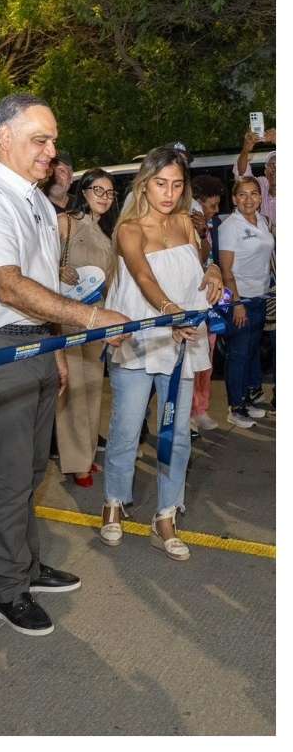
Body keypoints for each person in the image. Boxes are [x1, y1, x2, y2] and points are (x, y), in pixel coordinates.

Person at [0, 93, 129, 636]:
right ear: (4, 138)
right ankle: (9, 591)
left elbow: (43, 282)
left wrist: (56, 347)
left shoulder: (33, 200)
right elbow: (7, 285)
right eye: (40, 140)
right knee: (8, 476)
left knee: (30, 471)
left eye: (53, 141)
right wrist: (87, 318)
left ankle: (26, 564)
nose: (52, 152)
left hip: (37, 346)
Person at [100, 148, 223, 561]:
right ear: (144, 183)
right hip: (141, 341)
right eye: (160, 183)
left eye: (176, 184)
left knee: (176, 434)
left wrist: (213, 272)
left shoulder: (188, 225)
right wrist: (172, 312)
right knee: (127, 430)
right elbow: (144, 277)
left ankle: (166, 516)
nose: (169, 193)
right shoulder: (130, 229)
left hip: (180, 344)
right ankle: (115, 502)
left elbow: (200, 264)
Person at [55, 170, 119, 487]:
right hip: (66, 315)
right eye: (98, 190)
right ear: (84, 191)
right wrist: (58, 268)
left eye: (110, 192)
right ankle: (76, 462)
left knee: (93, 388)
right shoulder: (65, 222)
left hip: (97, 316)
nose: (105, 197)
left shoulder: (108, 231)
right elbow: (38, 262)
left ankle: (88, 455)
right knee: (73, 389)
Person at [218, 175, 276, 428]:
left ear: (260, 197)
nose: (249, 199)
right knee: (238, 354)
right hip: (241, 300)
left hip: (261, 296)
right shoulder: (230, 226)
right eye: (242, 194)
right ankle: (235, 407)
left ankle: (247, 401)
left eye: (254, 193)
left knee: (252, 352)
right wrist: (237, 303)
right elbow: (226, 270)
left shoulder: (263, 221)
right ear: (234, 199)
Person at [189, 174, 225, 432]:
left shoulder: (210, 229)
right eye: (211, 205)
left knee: (207, 361)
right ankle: (187, 412)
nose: (215, 211)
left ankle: (201, 410)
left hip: (210, 306)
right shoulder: (184, 226)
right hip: (190, 306)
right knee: (191, 362)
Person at [234, 126, 276, 231]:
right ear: (265, 172)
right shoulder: (260, 184)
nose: (275, 168)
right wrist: (246, 149)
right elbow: (242, 174)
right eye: (271, 165)